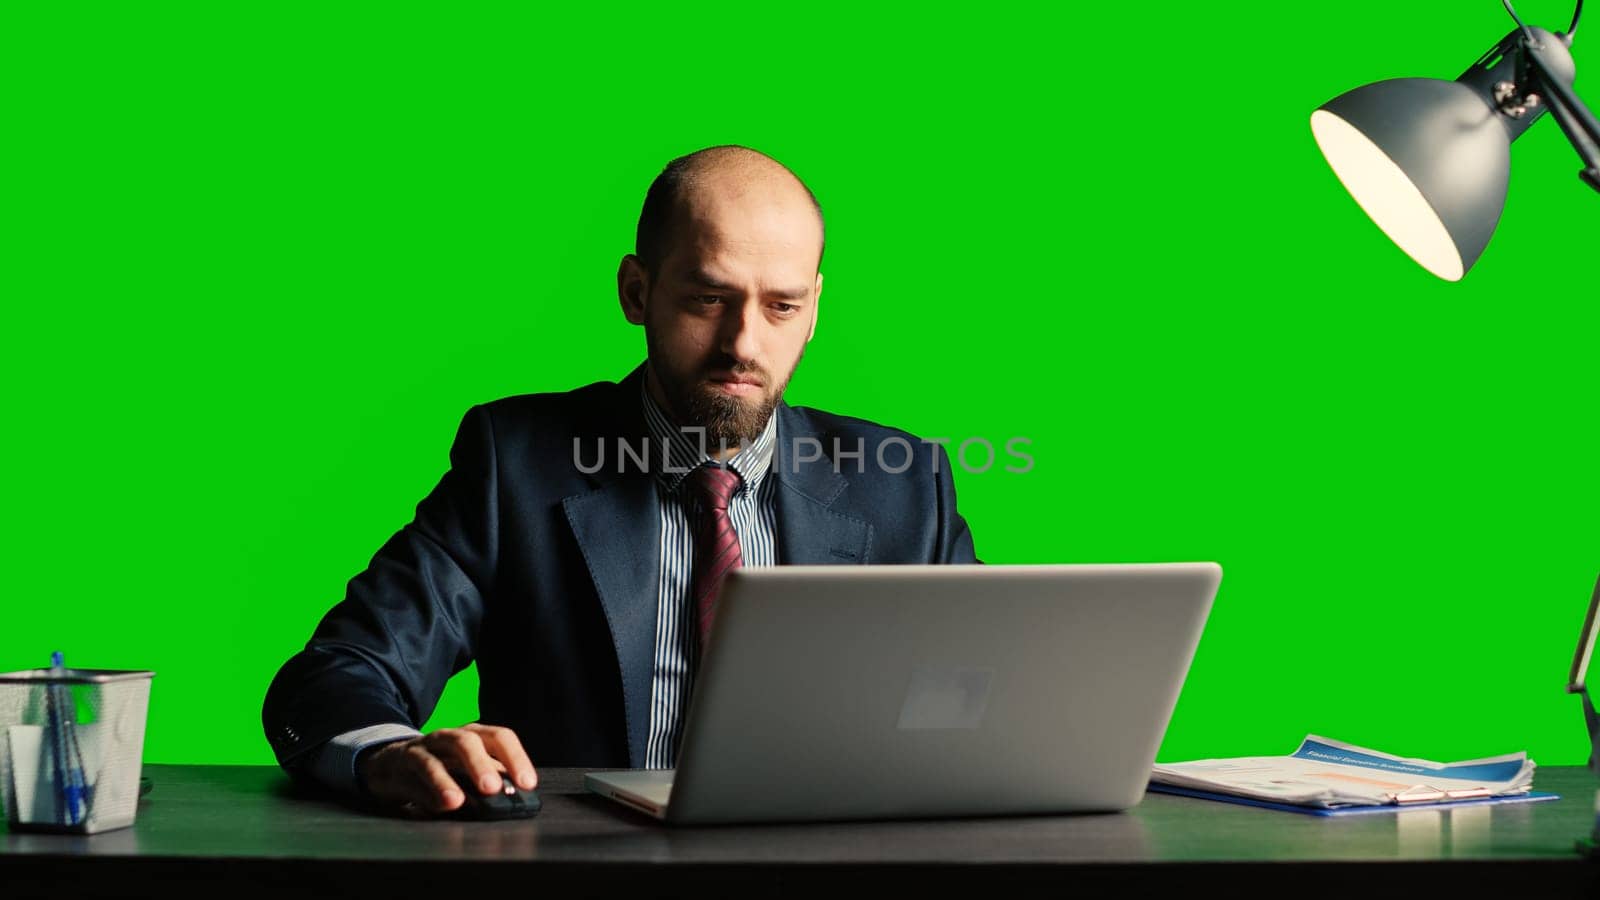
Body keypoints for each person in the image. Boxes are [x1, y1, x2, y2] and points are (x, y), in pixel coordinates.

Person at [262, 145, 978, 816]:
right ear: (637, 291)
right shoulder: (515, 466)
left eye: (781, 306)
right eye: (707, 299)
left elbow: (988, 704)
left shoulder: (905, 486)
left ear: (815, 308)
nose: (743, 344)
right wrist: (391, 752)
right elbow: (334, 676)